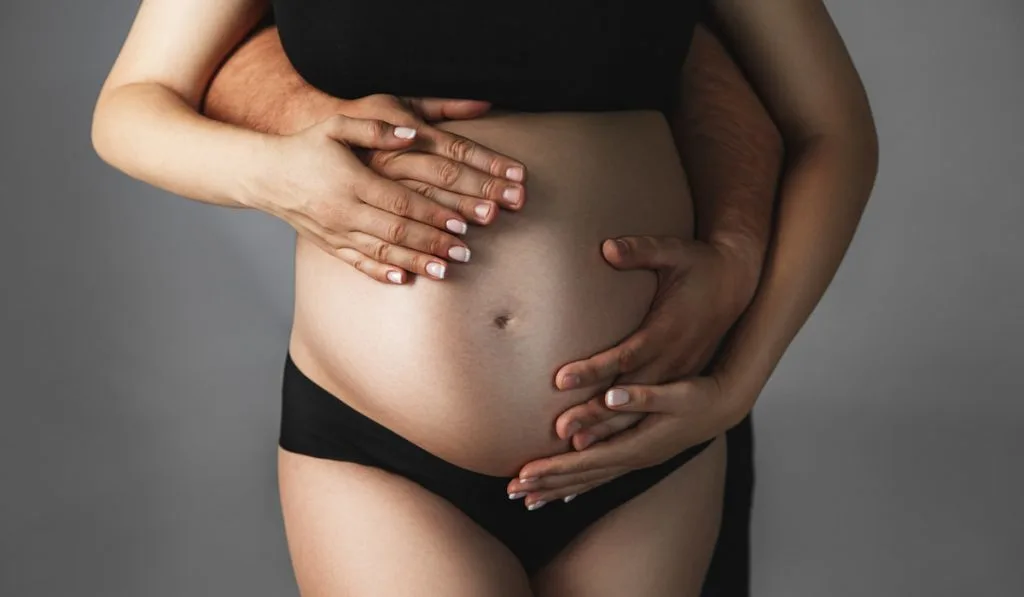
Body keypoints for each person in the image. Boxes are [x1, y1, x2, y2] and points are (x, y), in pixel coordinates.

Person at [91, 2, 877, 596]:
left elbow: (830, 126)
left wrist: (737, 385)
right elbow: (132, 102)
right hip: (381, 449)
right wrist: (279, 176)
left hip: (639, 443)